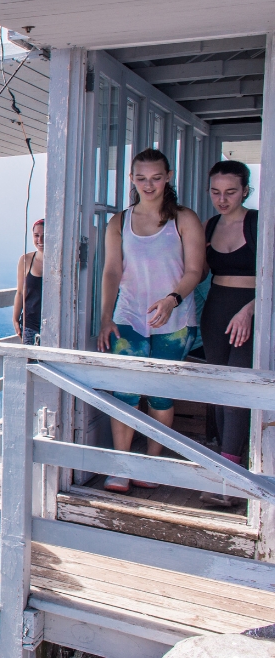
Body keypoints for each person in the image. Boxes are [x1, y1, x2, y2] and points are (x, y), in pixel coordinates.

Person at [96, 149, 204, 494]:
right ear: (131, 179)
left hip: (176, 319)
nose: (149, 184)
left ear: (168, 177)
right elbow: (112, 270)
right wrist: (105, 318)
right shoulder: (120, 222)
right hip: (128, 316)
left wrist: (172, 300)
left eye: (156, 177)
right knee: (124, 392)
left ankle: (152, 464)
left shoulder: (184, 219)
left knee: (159, 394)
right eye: (141, 178)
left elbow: (194, 271)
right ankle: (121, 466)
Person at [199, 161, 258, 507]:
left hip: (251, 312)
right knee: (220, 390)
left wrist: (250, 310)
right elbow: (196, 270)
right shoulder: (209, 226)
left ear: (245, 191)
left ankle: (231, 482)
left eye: (231, 192)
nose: (222, 199)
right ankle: (228, 462)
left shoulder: (260, 222)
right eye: (216, 192)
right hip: (216, 312)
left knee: (237, 389)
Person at [13, 219, 45, 345]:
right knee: (31, 362)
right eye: (37, 236)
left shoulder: (60, 261)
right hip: (30, 324)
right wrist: (15, 319)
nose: (40, 241)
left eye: (44, 236)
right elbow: (20, 292)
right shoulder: (26, 260)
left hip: (55, 325)